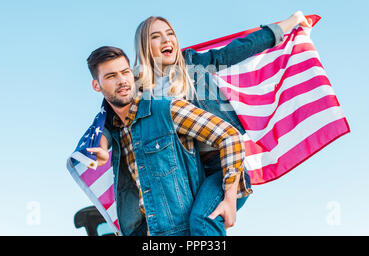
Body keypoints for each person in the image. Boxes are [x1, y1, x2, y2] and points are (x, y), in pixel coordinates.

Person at [133, 11, 312, 235]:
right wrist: (101, 143)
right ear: (144, 46)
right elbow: (112, 114)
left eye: (170, 34)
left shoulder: (192, 64)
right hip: (185, 176)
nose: (167, 40)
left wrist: (292, 21)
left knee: (203, 219)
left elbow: (238, 49)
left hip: (224, 165)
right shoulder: (139, 91)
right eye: (156, 36)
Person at [85, 46, 251, 236]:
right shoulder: (116, 133)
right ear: (96, 86)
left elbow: (229, 136)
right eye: (111, 76)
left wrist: (229, 200)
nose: (122, 80)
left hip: (186, 230)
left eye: (125, 72)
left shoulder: (166, 109)